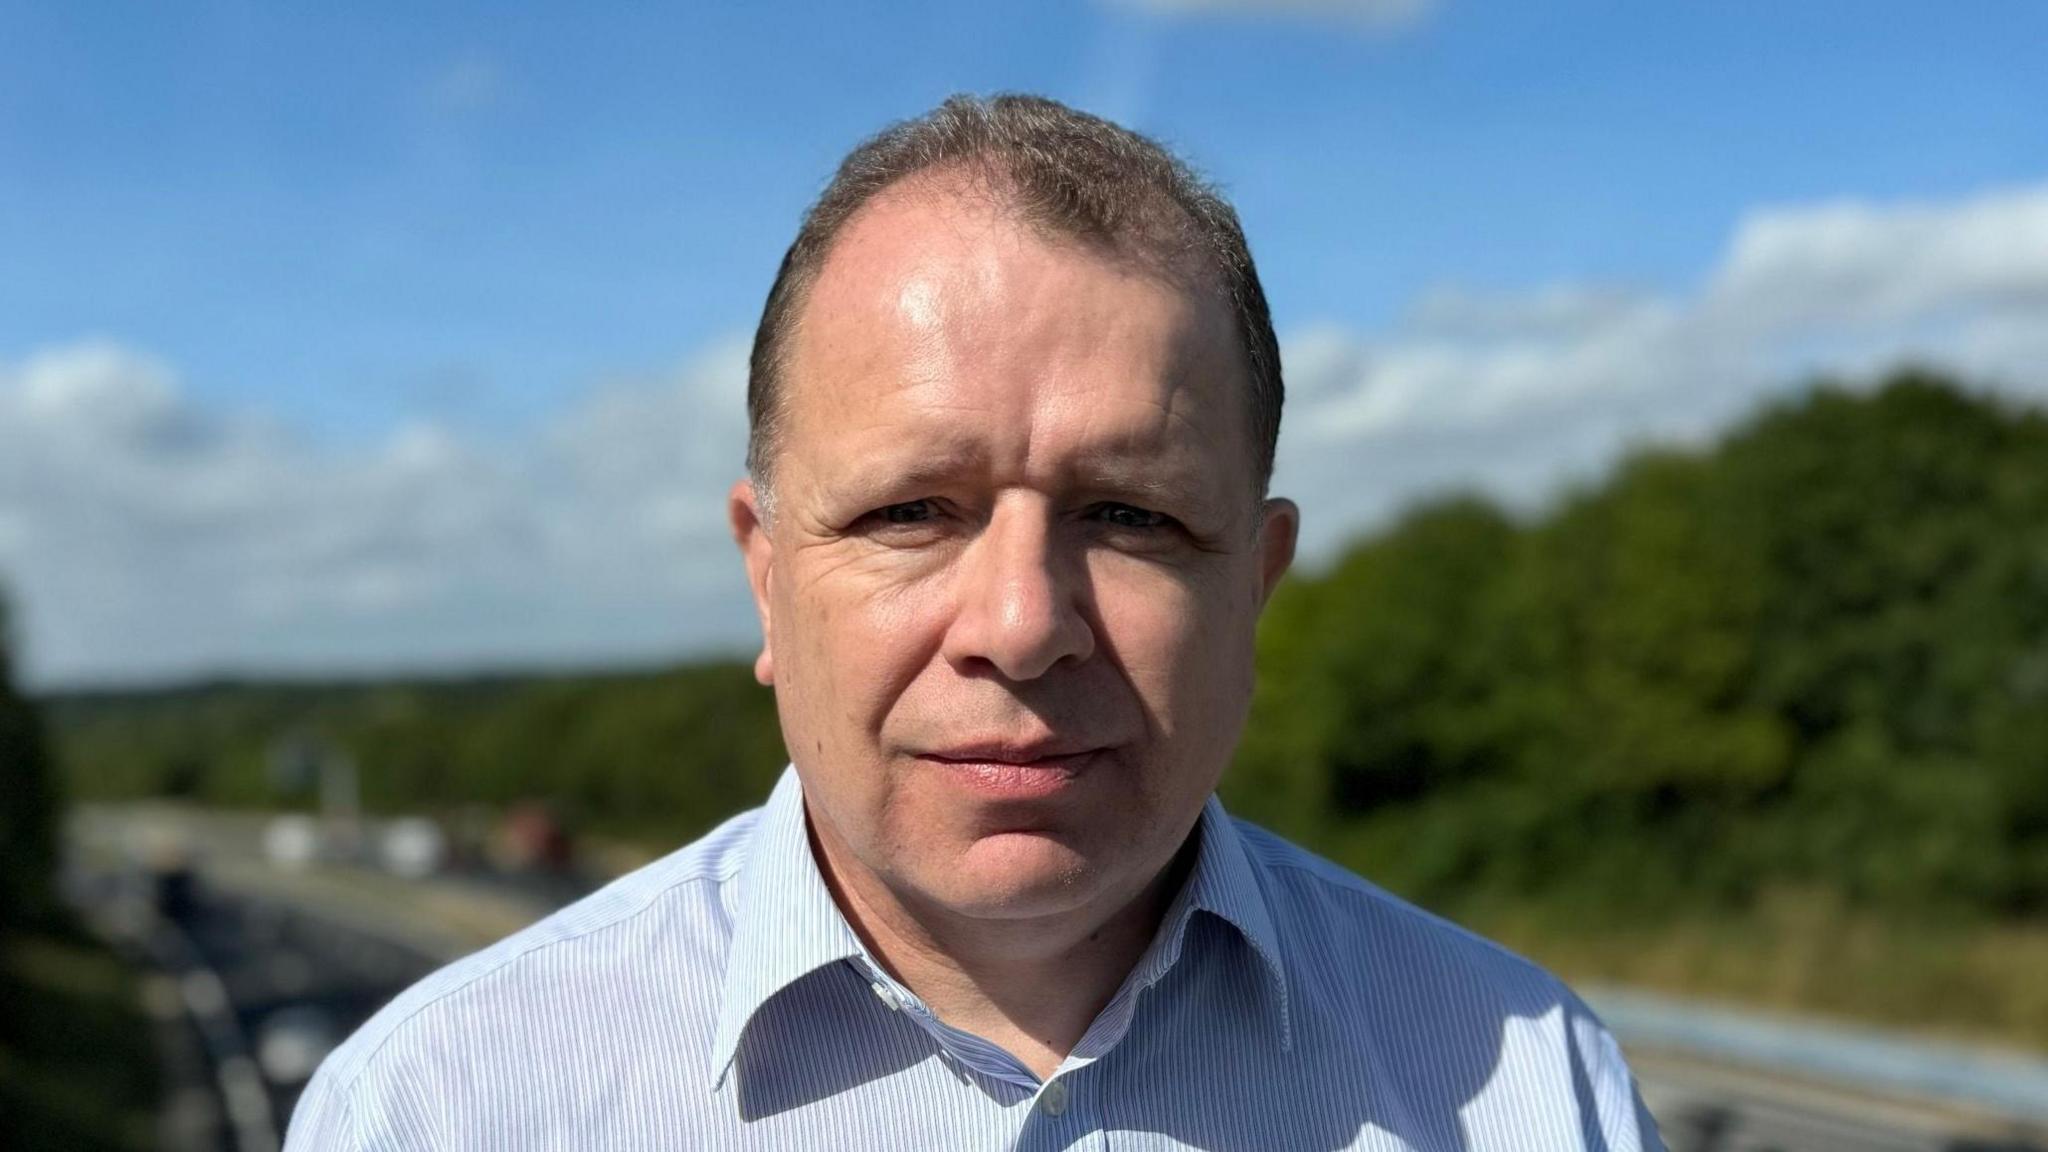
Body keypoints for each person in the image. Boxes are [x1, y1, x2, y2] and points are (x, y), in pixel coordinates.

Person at [287, 93, 1666, 1151]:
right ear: (766, 575)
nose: (1021, 624)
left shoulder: (1532, 1091)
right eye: (911, 514)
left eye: (1131, 517)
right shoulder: (449, 1105)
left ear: (1256, 582)